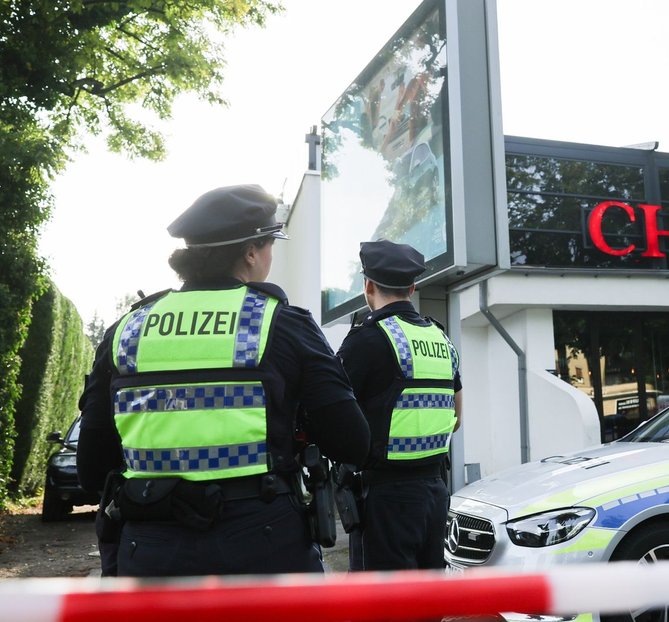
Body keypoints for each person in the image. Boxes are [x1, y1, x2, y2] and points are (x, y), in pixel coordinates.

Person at [76, 184, 370, 576]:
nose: (270, 255)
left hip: (150, 553)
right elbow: (353, 443)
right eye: (270, 245)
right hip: (263, 549)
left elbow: (91, 470)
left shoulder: (126, 331)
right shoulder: (280, 323)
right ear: (251, 252)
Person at [336, 239, 462, 571]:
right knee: (427, 594)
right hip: (436, 493)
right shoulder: (441, 339)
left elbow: (331, 414)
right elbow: (456, 417)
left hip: (385, 497)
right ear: (412, 287)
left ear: (368, 286)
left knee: (382, 597)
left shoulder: (367, 339)